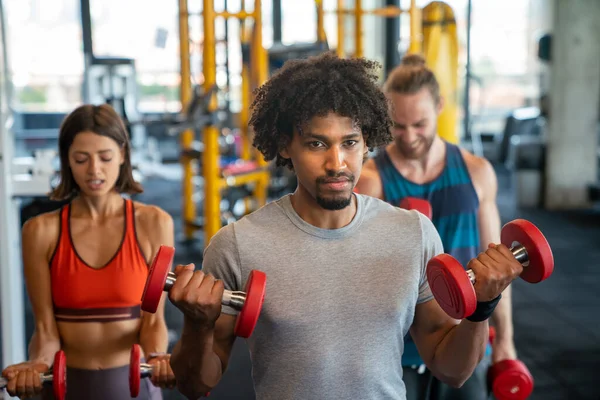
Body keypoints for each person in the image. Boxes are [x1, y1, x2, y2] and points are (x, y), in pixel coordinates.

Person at [167, 52, 522, 400]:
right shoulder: (237, 245)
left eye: (349, 143)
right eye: (316, 143)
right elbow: (195, 386)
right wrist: (197, 325)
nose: (336, 163)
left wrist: (481, 310)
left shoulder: (414, 233)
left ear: (367, 141)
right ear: (285, 145)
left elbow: (452, 371)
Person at [355, 54, 517, 400]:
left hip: (466, 339)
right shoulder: (371, 181)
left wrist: (504, 341)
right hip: (397, 350)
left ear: (440, 107)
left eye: (420, 124)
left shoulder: (477, 173)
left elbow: (497, 268)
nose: (409, 136)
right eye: (398, 126)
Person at [1, 104, 175, 399]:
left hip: (135, 387)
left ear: (122, 155)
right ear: (67, 161)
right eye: (81, 159)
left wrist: (158, 357)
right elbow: (45, 329)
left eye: (105, 158)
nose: (94, 170)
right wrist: (37, 367)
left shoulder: (154, 223)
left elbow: (154, 321)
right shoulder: (40, 231)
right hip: (66, 387)